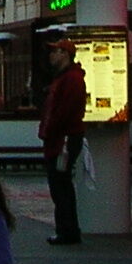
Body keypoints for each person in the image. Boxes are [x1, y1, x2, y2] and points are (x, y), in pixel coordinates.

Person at [38, 34, 88, 245]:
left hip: (62, 139)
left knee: (60, 184)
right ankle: (67, 229)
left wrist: (50, 130)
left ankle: (66, 230)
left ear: (65, 54)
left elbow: (63, 112)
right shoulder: (68, 78)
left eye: (55, 51)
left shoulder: (69, 79)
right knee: (61, 183)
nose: (51, 55)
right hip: (63, 137)